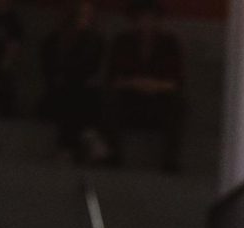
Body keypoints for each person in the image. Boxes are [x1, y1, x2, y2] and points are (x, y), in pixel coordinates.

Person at [105, 0, 182, 171]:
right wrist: (135, 83)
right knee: (109, 100)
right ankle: (113, 153)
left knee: (177, 104)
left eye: (151, 18)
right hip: (129, 101)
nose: (146, 23)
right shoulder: (122, 42)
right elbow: (113, 78)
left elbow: (175, 82)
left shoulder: (169, 44)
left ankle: (170, 160)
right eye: (142, 18)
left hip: (158, 101)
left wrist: (152, 85)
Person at [40, 0, 108, 163]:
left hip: (81, 94)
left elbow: (91, 69)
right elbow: (52, 72)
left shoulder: (95, 42)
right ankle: (89, 135)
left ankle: (66, 147)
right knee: (76, 94)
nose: (86, 18)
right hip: (56, 95)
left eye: (89, 15)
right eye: (82, 14)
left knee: (82, 94)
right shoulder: (54, 40)